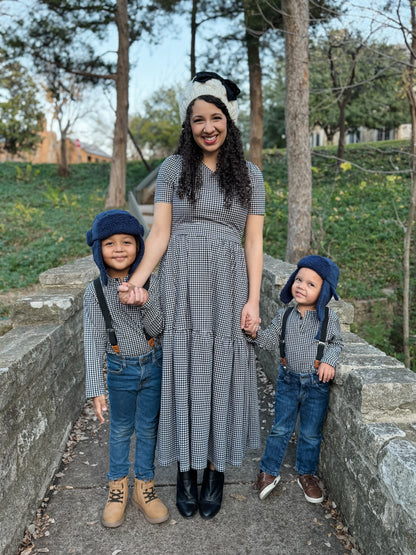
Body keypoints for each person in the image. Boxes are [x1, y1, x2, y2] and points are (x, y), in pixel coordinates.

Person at [118, 71, 265, 519]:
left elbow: (254, 241)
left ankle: (215, 470)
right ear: (189, 123)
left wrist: (253, 299)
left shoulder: (251, 175)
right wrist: (140, 278)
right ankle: (185, 469)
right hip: (180, 280)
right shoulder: (172, 169)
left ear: (228, 121)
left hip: (228, 282)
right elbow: (159, 233)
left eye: (215, 117)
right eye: (198, 119)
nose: (207, 127)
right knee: (184, 369)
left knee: (222, 370)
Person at [83, 209, 169, 528]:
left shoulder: (154, 282)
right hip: (120, 370)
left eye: (127, 242)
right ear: (98, 250)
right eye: (110, 243)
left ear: (139, 246)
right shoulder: (95, 293)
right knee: (120, 429)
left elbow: (160, 328)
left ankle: (144, 488)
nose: (119, 249)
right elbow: (91, 341)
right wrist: (95, 390)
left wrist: (145, 300)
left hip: (153, 364)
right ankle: (117, 487)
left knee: (148, 428)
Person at [246, 255, 343, 504]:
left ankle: (307, 474)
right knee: (280, 428)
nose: (301, 286)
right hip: (288, 380)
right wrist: (254, 333)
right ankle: (268, 472)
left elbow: (335, 343)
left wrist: (329, 361)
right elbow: (268, 342)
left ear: (324, 292)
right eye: (299, 280)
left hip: (316, 384)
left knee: (310, 432)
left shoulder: (328, 319)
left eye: (311, 284)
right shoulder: (284, 316)